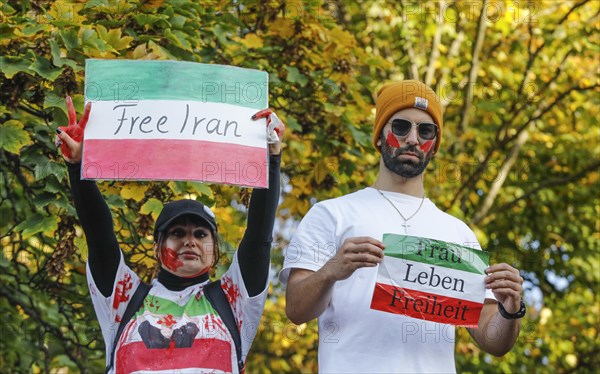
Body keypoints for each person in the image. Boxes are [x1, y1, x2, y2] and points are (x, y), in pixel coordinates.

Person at [280, 80, 524, 373]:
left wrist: (511, 308)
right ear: (380, 136)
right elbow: (296, 309)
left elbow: (493, 341)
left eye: (425, 131)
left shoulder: (459, 234)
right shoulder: (332, 213)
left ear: (434, 146)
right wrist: (332, 270)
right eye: (400, 126)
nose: (412, 138)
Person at [56, 96, 285, 373]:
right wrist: (78, 165)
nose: (190, 240)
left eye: (201, 234)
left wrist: (270, 159)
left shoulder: (234, 300)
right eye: (177, 233)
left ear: (215, 249)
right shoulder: (124, 299)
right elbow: (99, 236)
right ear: (157, 247)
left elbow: (259, 236)